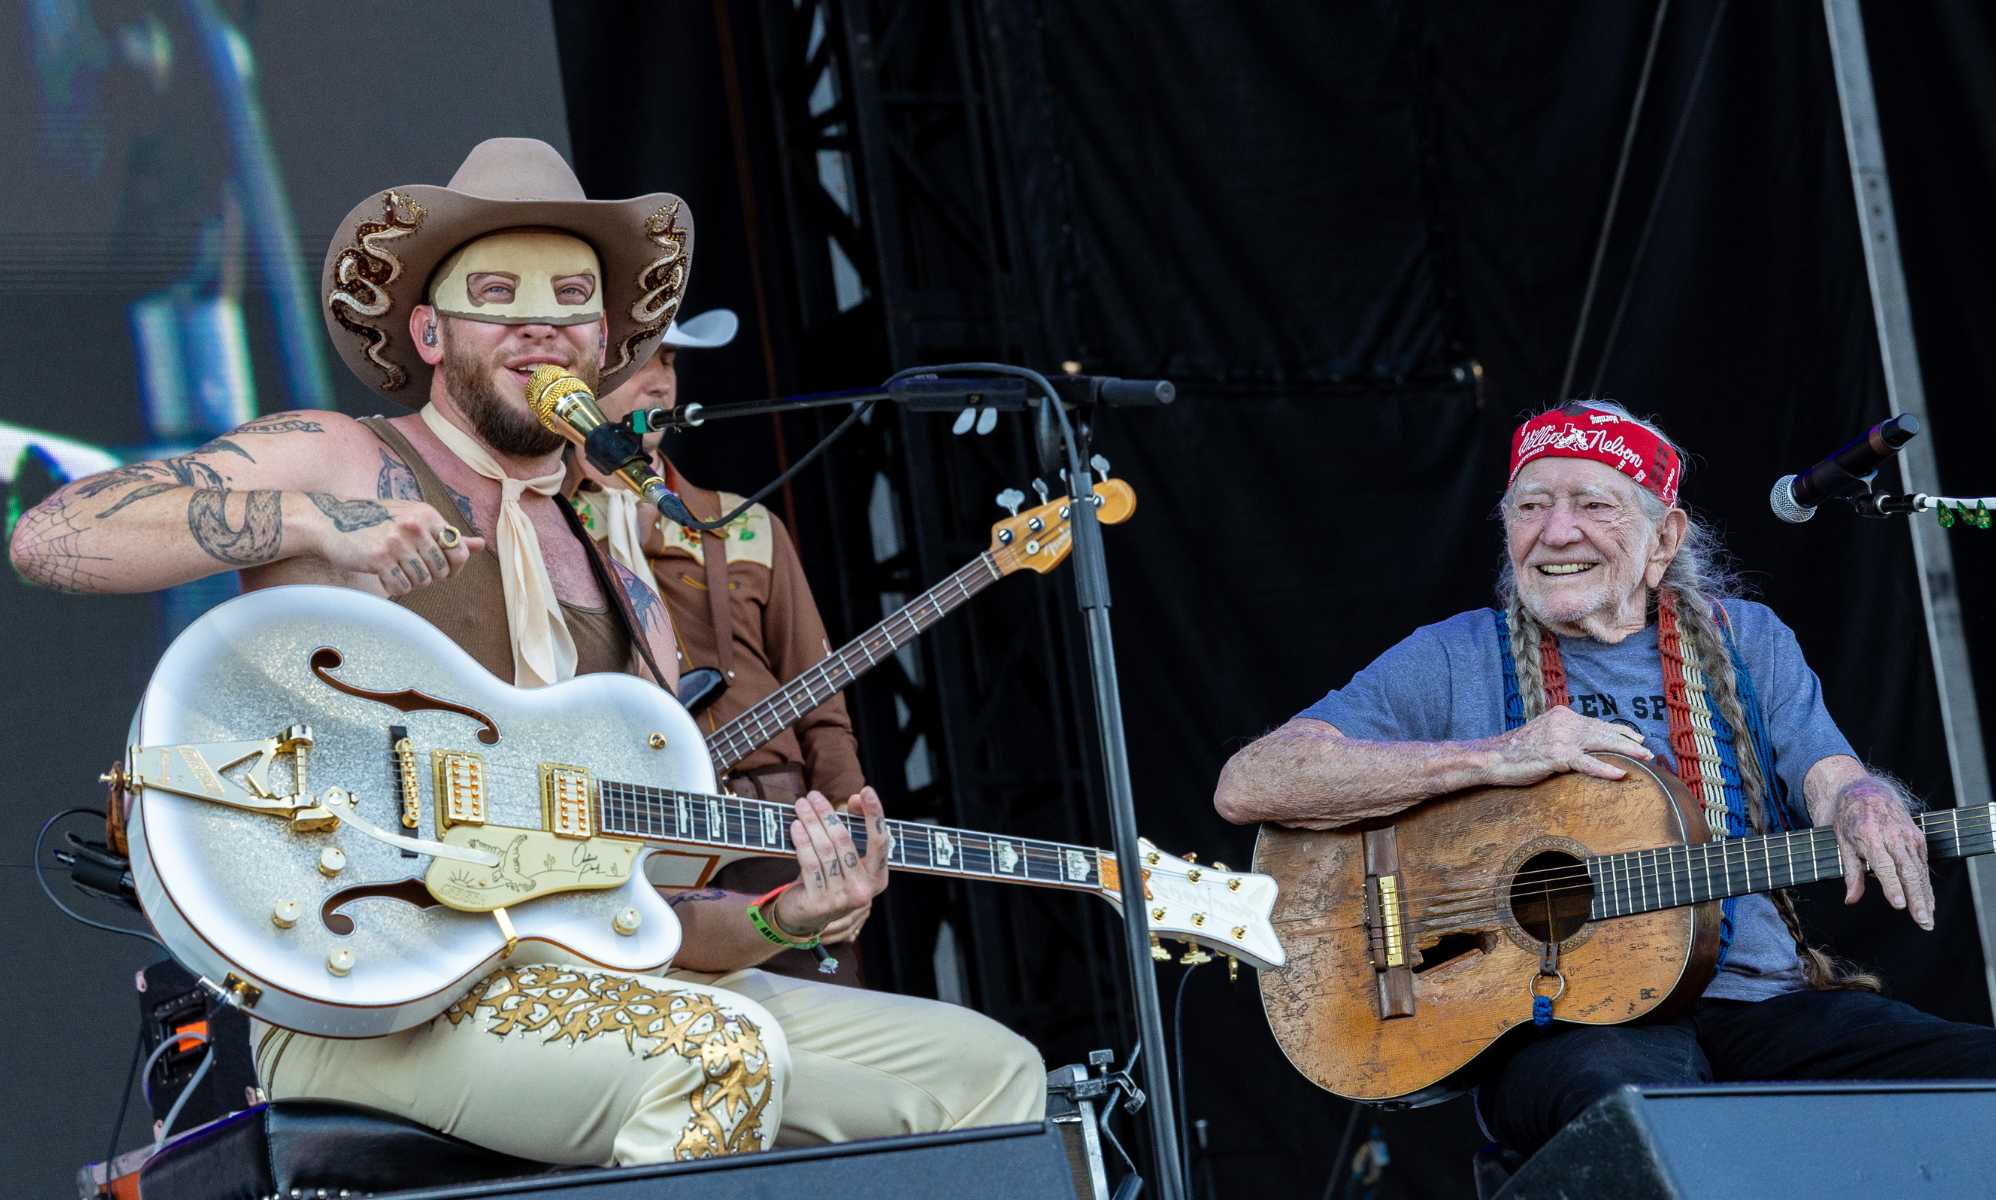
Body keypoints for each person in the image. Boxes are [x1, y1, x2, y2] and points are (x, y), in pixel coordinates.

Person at [10, 137, 1042, 1166]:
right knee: (723, 1054)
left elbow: (641, 910)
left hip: (579, 986)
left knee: (987, 1073)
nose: (537, 327)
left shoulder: (625, 567)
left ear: (604, 340)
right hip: (363, 993)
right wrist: (310, 522)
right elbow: (54, 535)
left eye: (567, 303)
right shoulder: (350, 455)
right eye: (496, 294)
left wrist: (784, 917)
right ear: (426, 329)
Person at [1212, 399, 1996, 1154]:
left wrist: (1863, 798)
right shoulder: (1453, 656)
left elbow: (1830, 774)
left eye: (1594, 504)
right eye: (1530, 507)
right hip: (1574, 1033)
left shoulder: (1745, 638)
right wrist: (1495, 755)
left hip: (1762, 1006)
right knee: (1640, 1126)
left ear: (1664, 538)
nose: (1557, 533)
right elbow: (1253, 784)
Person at [570, 311, 873, 982]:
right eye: (640, 358)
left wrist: (851, 847)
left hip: (773, 826)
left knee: (831, 1033)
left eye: (671, 363)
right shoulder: (543, 523)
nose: (660, 382)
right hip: (635, 831)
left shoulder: (745, 523)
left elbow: (823, 708)